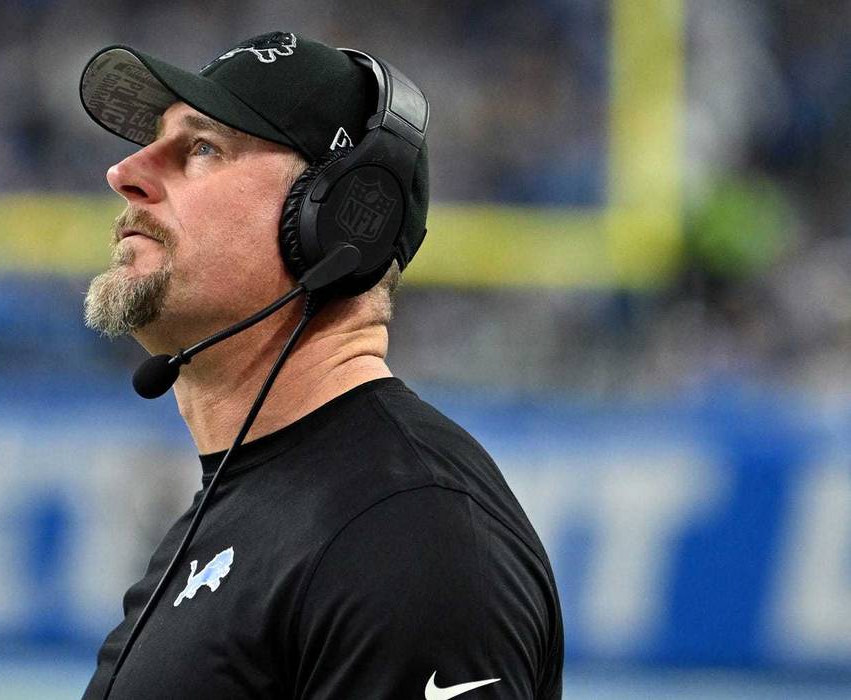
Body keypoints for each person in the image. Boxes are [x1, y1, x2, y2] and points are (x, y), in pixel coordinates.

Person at [78, 31, 563, 699]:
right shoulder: (262, 510)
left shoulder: (407, 538)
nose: (124, 172)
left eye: (200, 148)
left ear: (339, 219)